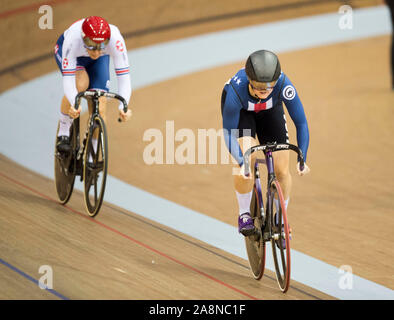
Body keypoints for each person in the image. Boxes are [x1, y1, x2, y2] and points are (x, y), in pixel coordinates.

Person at [220, 49, 310, 236]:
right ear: (250, 82)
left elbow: (301, 123)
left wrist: (302, 158)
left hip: (270, 112)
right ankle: (244, 213)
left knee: (282, 169)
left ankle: (280, 217)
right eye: (260, 89)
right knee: (246, 155)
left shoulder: (284, 85)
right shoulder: (235, 91)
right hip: (244, 113)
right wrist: (241, 162)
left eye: (269, 88)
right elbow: (228, 132)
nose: (265, 92)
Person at [54, 16, 132, 153]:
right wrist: (75, 103)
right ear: (83, 38)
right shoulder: (73, 40)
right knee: (81, 82)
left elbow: (124, 77)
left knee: (100, 108)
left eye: (101, 46)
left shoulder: (115, 40)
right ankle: (64, 131)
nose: (96, 52)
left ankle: (92, 155)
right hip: (73, 56)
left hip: (99, 62)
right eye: (91, 46)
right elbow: (68, 79)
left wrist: (123, 106)